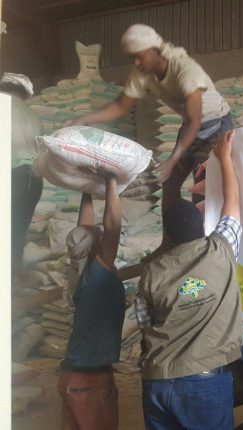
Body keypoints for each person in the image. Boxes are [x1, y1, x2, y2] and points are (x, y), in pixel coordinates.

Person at [66, 23, 234, 252]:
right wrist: (83, 119)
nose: (136, 63)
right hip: (190, 126)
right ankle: (168, 244)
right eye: (132, 58)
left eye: (139, 56)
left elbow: (195, 120)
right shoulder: (143, 75)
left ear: (155, 50)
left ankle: (200, 250)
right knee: (169, 182)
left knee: (200, 187)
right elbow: (120, 106)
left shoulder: (185, 69)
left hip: (215, 125)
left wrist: (173, 159)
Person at [137, 130, 243, 429]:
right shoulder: (220, 250)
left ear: (168, 235)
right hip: (203, 383)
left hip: (157, 382)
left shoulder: (151, 271)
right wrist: (224, 157)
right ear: (201, 225)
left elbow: (145, 323)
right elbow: (233, 203)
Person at [57, 173, 125, 430]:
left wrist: (86, 186)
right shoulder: (96, 276)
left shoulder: (80, 268)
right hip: (90, 383)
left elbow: (83, 230)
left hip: (73, 378)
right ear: (96, 246)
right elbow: (113, 226)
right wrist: (111, 181)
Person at [2, 73, 44, 285]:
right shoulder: (32, 114)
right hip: (32, 180)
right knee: (16, 234)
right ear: (25, 94)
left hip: (9, 176)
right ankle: (10, 284)